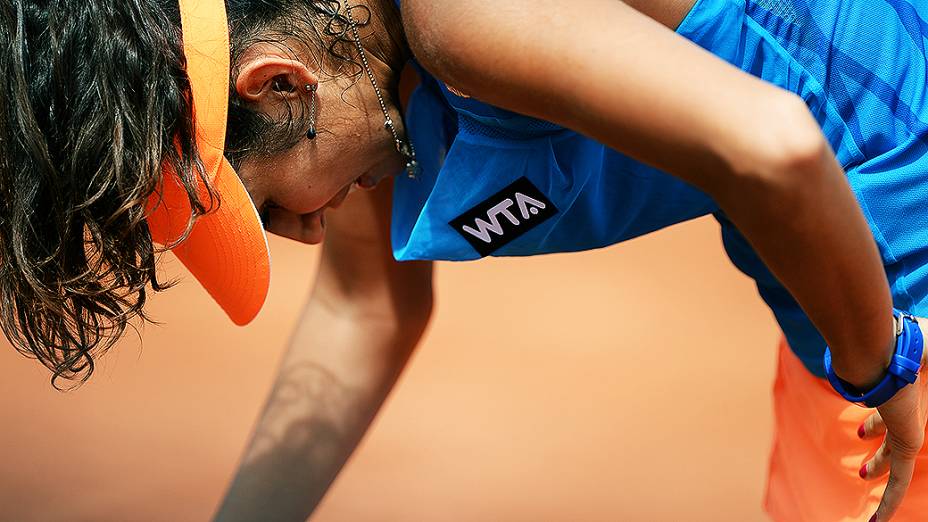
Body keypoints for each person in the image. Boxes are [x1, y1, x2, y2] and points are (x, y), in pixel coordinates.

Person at [2, 0, 926, 520]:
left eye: (272, 206)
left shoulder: (460, 18)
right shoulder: (355, 80)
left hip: (890, 315)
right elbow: (366, 309)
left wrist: (888, 369)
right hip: (840, 299)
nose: (309, 235)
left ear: (279, 84)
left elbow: (777, 146)